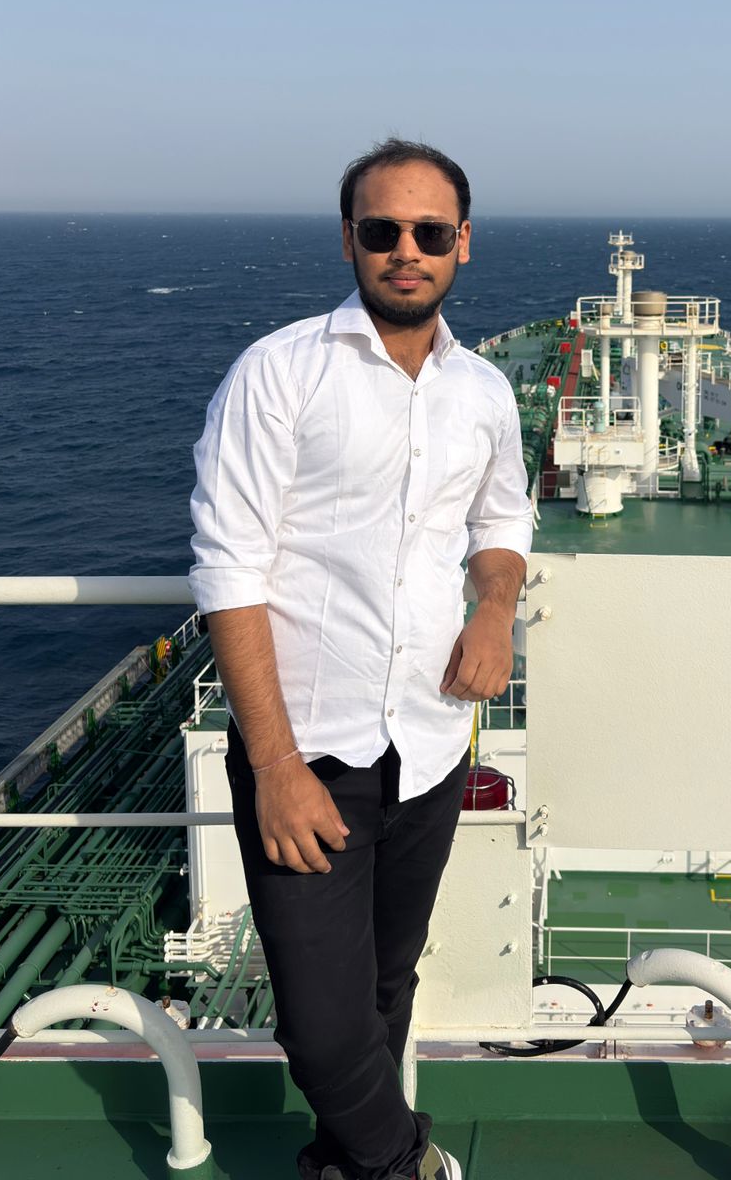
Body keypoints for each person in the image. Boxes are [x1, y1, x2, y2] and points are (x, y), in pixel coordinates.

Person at [189, 138, 532, 1180]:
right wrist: (275, 764)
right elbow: (230, 569)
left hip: (429, 743)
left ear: (463, 243)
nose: (405, 250)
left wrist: (496, 608)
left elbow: (502, 518)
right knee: (323, 1024)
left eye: (430, 231)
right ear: (349, 240)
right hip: (308, 752)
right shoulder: (278, 372)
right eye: (382, 230)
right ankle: (406, 1164)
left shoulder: (484, 391)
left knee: (387, 984)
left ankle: (342, 1167)